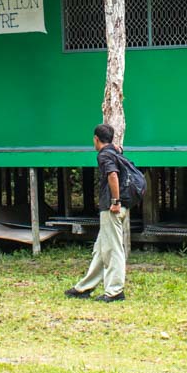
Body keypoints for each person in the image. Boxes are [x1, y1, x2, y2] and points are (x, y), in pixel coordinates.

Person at [65, 123, 132, 303]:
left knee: (113, 249)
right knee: (101, 249)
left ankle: (115, 291)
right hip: (118, 207)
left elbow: (112, 175)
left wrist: (115, 201)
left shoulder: (104, 155)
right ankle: (84, 287)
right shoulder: (115, 152)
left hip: (112, 208)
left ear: (96, 138)